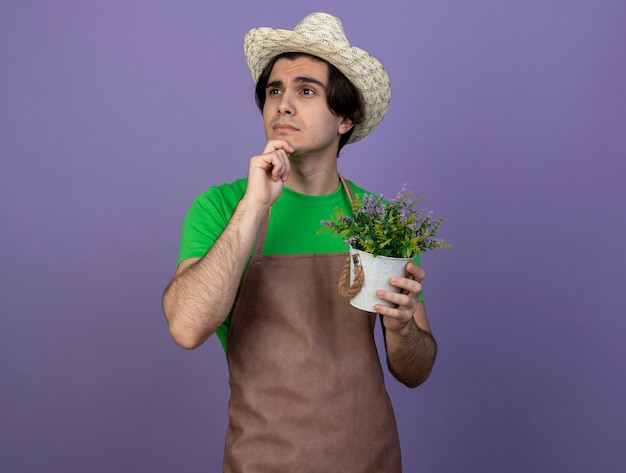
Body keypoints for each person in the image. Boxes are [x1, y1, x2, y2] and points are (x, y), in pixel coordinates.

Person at [162, 12, 437, 472]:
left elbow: (415, 371)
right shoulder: (222, 207)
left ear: (344, 118)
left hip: (371, 460)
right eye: (274, 91)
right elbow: (186, 328)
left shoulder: (378, 221)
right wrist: (254, 207)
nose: (282, 105)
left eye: (305, 91)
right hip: (263, 462)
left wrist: (403, 328)